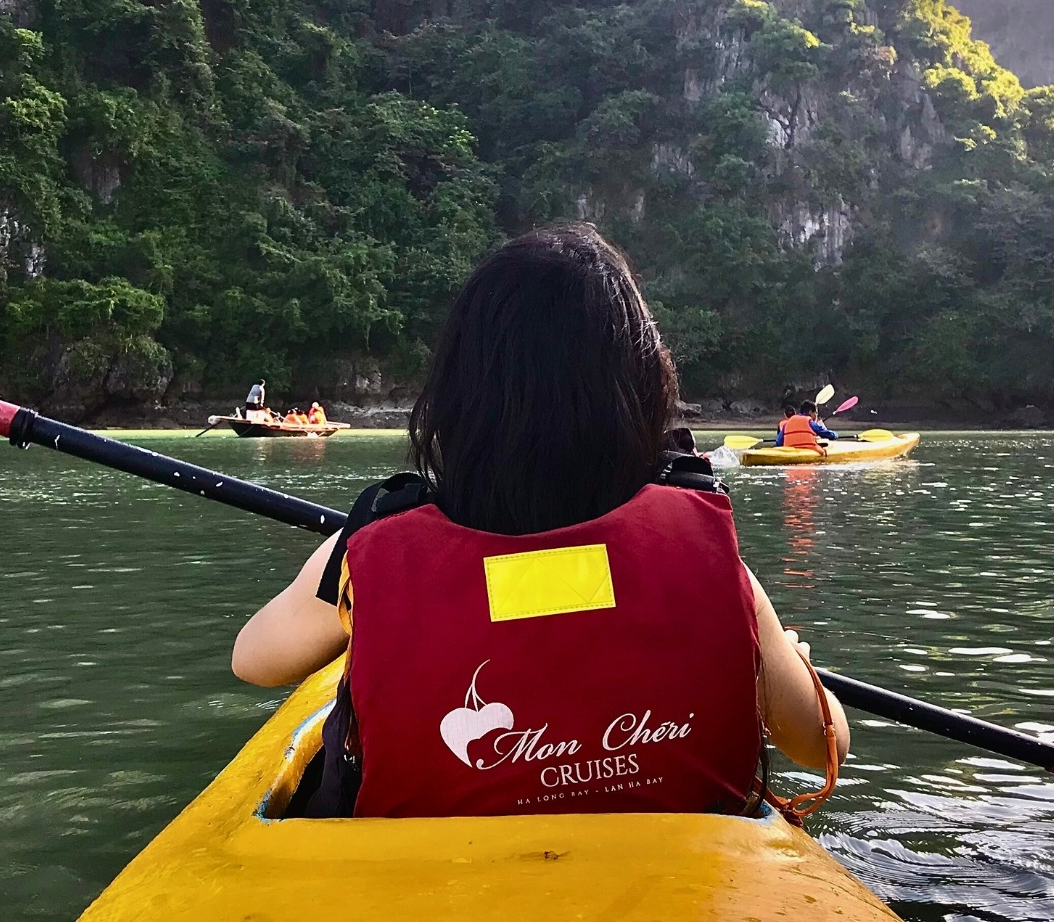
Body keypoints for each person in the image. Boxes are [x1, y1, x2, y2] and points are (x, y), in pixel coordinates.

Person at [232, 224, 846, 820]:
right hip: (670, 881)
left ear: (458, 392)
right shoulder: (703, 550)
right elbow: (826, 744)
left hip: (432, 883)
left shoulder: (372, 545)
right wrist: (785, 657)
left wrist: (361, 605)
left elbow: (254, 660)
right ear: (641, 389)